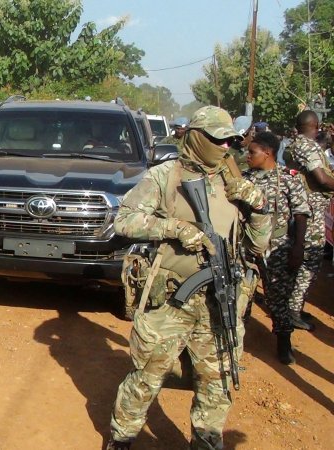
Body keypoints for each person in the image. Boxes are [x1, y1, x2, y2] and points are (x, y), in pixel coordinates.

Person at [106, 106, 271, 450]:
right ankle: (122, 437)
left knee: (218, 385)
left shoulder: (236, 183)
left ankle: (206, 441)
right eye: (218, 139)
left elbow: (258, 247)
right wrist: (174, 229)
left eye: (231, 141)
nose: (226, 147)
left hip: (220, 303)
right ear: (197, 138)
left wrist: (259, 211)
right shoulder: (165, 176)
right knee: (146, 377)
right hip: (170, 301)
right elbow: (124, 220)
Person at [244, 131, 310, 364]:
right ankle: (238, 340)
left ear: (268, 153)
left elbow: (301, 214)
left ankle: (284, 341)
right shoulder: (245, 179)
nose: (247, 156)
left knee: (278, 297)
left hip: (278, 247)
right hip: (249, 246)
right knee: (243, 294)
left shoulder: (289, 178)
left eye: (252, 152)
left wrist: (298, 247)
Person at [283, 110, 334, 330]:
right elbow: (321, 179)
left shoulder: (293, 145)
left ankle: (294, 306)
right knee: (310, 263)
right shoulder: (309, 146)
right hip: (311, 212)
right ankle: (293, 311)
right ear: (317, 125)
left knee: (301, 261)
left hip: (302, 208)